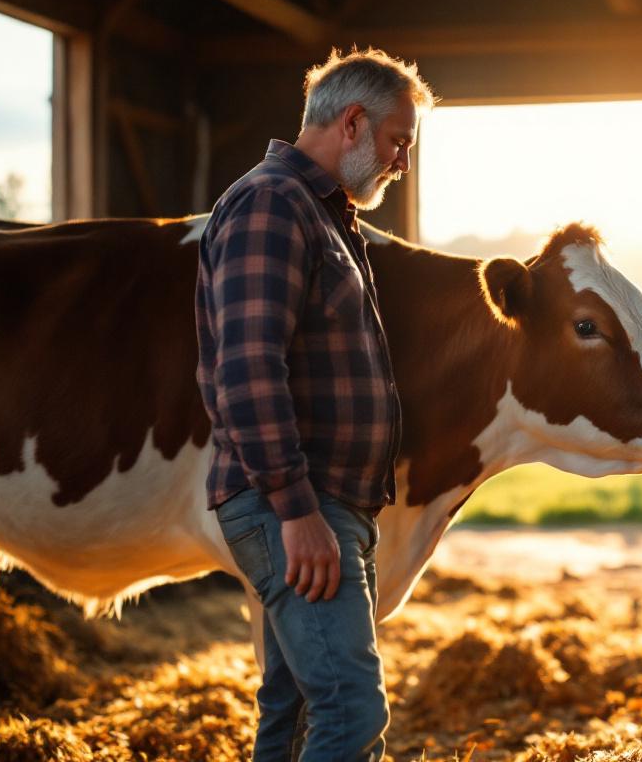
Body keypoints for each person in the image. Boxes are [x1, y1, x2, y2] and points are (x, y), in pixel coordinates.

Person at [195, 47, 434, 760]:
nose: (401, 163)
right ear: (353, 123)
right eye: (397, 141)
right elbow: (247, 366)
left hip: (324, 504)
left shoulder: (324, 214)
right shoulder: (273, 204)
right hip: (296, 506)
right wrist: (297, 511)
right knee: (352, 712)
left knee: (294, 709)